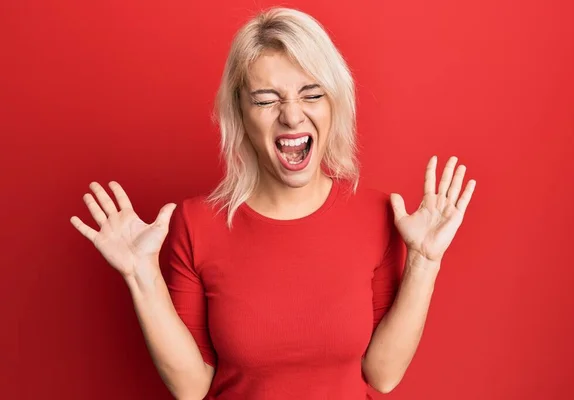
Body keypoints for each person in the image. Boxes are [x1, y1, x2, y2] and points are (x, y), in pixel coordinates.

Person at [70, 7, 476, 400]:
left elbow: (382, 376)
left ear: (334, 104)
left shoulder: (378, 216)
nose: (292, 116)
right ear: (240, 114)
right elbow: (191, 388)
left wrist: (424, 262)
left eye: (311, 94)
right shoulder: (196, 224)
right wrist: (142, 277)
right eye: (266, 100)